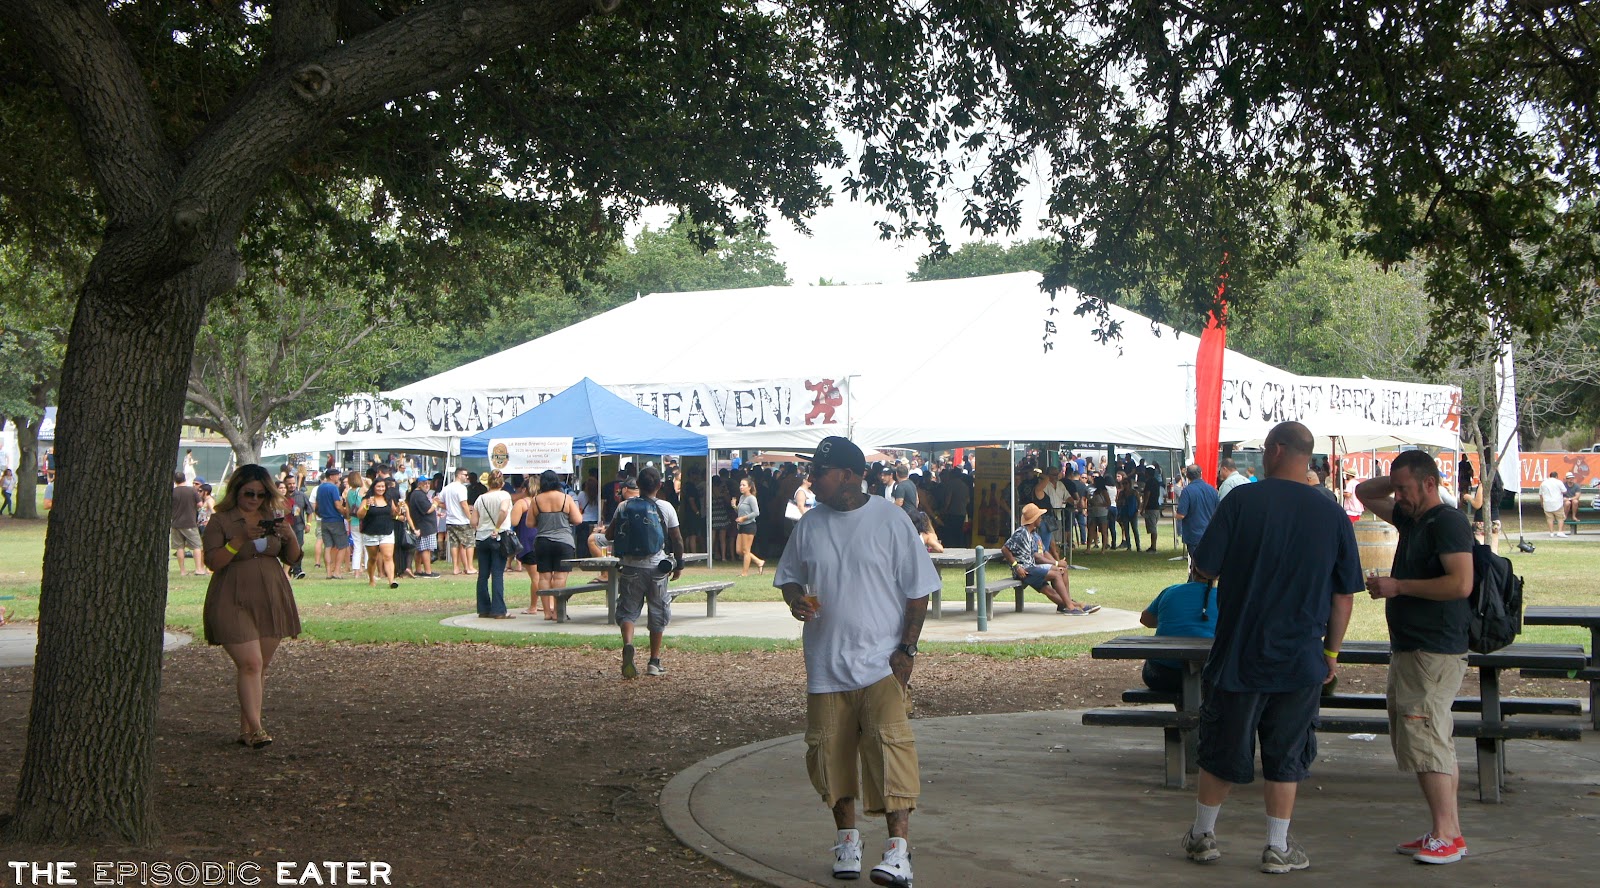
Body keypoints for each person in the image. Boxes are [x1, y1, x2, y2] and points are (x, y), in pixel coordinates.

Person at [1181, 421, 1360, 874]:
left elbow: (1204, 565)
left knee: (1222, 744)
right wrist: (1331, 655)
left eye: (1263, 449)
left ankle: (1203, 835)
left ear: (1278, 450)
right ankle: (1277, 847)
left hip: (1239, 650)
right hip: (1301, 656)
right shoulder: (1333, 513)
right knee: (1288, 752)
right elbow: (1344, 595)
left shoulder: (1241, 500)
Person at [776, 436, 939, 888]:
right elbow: (789, 578)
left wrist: (905, 652)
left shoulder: (890, 521)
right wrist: (795, 602)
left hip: (881, 664)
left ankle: (898, 853)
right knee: (830, 756)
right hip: (826, 665)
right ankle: (847, 841)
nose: (811, 480)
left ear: (847, 475)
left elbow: (918, 592)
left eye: (819, 473)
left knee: (892, 755)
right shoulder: (810, 524)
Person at [1356, 451, 1476, 865]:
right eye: (1398, 489)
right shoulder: (1412, 517)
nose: (1399, 497)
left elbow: (1460, 584)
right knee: (1432, 737)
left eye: (1407, 488)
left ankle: (1446, 835)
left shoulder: (1447, 522)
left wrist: (1400, 587)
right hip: (1412, 646)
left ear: (1430, 483)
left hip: (1434, 648)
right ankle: (1447, 830)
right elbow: (1363, 491)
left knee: (1426, 738)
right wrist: (1396, 482)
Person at [200, 464, 303, 749]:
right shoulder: (221, 521)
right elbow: (214, 562)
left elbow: (293, 558)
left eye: (260, 494)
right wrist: (240, 540)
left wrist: (289, 535)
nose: (254, 499)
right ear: (236, 491)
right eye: (249, 493)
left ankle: (247, 730)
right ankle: (257, 729)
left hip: (271, 596)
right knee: (250, 663)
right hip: (232, 598)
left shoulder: (272, 517)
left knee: (260, 666)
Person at [614, 466, 685, 678]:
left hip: (630, 567)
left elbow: (610, 533)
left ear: (638, 485)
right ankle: (654, 661)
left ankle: (628, 644)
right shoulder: (666, 507)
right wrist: (679, 564)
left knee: (627, 610)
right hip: (657, 568)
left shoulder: (624, 506)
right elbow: (677, 538)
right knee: (658, 611)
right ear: (659, 485)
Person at [1003, 503, 1097, 614]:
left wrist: (1057, 564)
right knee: (1056, 573)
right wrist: (1016, 566)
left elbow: (1043, 551)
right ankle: (1071, 606)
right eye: (1039, 516)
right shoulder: (1021, 533)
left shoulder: (1033, 534)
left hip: (1032, 568)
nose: (1041, 519)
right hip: (1025, 570)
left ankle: (1068, 604)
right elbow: (1005, 549)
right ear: (1034, 520)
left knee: (1059, 575)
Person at [1139, 568, 1217, 692]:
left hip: (1162, 674)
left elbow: (1146, 620)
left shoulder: (1170, 591)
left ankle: (1184, 709)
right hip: (1210, 674)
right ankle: (1196, 709)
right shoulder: (1225, 598)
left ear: (1192, 570)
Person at [527, 470, 583, 620]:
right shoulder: (566, 498)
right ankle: (559, 611)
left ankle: (546, 612)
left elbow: (529, 523)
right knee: (560, 577)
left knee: (544, 577)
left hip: (543, 541)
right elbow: (578, 520)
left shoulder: (536, 500)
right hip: (564, 541)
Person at [473, 470, 514, 619]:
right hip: (498, 535)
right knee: (497, 573)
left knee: (483, 575)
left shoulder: (480, 499)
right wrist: (497, 527)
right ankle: (498, 610)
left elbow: (473, 521)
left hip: (482, 537)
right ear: (502, 483)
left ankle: (483, 608)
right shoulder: (504, 495)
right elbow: (503, 510)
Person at [357, 477, 399, 589]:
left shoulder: (389, 499)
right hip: (371, 532)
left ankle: (391, 581)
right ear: (374, 487)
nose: (381, 489)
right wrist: (367, 506)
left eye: (383, 486)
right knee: (373, 558)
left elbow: (394, 514)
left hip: (387, 531)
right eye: (378, 486)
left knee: (388, 556)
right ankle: (371, 578)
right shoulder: (367, 499)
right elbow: (360, 515)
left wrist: (399, 509)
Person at [1174, 464, 1218, 557]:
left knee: (1196, 563)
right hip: (1210, 533)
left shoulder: (1187, 491)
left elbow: (1181, 514)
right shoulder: (1212, 490)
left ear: (1187, 476)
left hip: (1193, 534)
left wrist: (1175, 514)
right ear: (1201, 474)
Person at [172, 471, 208, 577]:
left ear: (175, 481)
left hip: (176, 523)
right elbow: (200, 504)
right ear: (185, 479)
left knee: (179, 547)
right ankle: (198, 569)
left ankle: (183, 571)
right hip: (190, 523)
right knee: (197, 546)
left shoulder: (172, 492)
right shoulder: (191, 491)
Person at [441, 468, 476, 574]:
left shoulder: (447, 488)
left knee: (454, 544)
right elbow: (464, 504)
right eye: (465, 475)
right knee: (469, 543)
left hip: (450, 520)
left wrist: (450, 508)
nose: (467, 477)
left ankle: (456, 567)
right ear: (459, 475)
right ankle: (469, 567)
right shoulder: (461, 488)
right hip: (462, 521)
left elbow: (439, 501)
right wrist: (470, 518)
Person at [407, 476, 440, 577]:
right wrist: (435, 504)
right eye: (424, 483)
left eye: (428, 483)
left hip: (422, 526)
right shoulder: (419, 495)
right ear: (419, 484)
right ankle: (428, 571)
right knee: (426, 549)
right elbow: (428, 510)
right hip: (425, 526)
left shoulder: (417, 494)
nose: (427, 485)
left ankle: (419, 570)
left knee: (420, 549)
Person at [734, 476, 765, 576]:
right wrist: (735, 506)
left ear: (749, 487)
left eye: (743, 485)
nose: (741, 487)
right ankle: (758, 561)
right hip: (741, 526)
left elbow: (756, 512)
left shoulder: (752, 498)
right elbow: (741, 511)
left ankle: (744, 573)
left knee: (746, 550)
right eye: (740, 485)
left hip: (749, 525)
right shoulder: (742, 497)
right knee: (739, 550)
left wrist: (744, 518)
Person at [284, 474, 310, 580]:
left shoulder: (301, 495)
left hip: (298, 526)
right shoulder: (281, 496)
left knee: (298, 548)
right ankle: (287, 570)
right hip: (285, 527)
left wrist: (308, 524)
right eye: (289, 484)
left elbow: (309, 511)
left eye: (293, 483)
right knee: (286, 548)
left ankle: (297, 569)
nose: (292, 486)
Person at [1539, 469, 1567, 537]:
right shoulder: (1559, 482)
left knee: (1549, 519)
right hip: (1557, 503)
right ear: (1556, 476)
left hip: (1547, 503)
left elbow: (1540, 494)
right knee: (1560, 518)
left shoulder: (1543, 483)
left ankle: (1551, 532)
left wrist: (1542, 503)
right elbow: (1564, 491)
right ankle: (1560, 531)